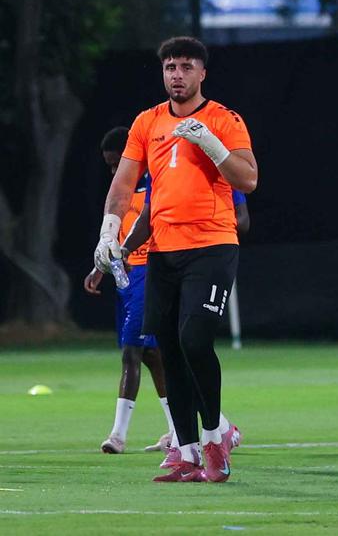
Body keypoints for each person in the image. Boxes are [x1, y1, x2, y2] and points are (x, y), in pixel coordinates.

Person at [93, 36, 257, 483]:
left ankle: (213, 440)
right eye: (170, 67)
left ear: (202, 73)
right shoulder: (147, 123)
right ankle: (185, 452)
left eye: (186, 66)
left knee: (195, 341)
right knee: (167, 349)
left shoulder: (224, 119)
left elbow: (249, 177)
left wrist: (213, 146)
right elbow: (124, 184)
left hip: (212, 246)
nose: (177, 75)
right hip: (163, 251)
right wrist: (112, 234)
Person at [84, 127, 175, 455]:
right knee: (153, 356)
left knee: (131, 351)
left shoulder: (156, 182)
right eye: (108, 166)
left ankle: (118, 436)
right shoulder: (121, 191)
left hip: (150, 274)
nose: (113, 171)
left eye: (115, 163)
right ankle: (194, 428)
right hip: (127, 276)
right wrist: (100, 268)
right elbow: (117, 238)